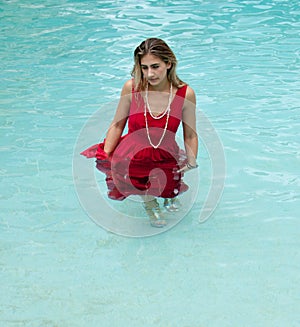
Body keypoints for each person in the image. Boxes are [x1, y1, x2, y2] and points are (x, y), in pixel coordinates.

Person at [81, 38, 198, 228]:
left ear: (168, 64)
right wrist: (108, 153)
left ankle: (168, 198)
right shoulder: (132, 88)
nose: (149, 74)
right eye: (144, 68)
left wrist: (192, 161)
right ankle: (151, 206)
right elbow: (118, 124)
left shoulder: (185, 93)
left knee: (169, 188)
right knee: (144, 187)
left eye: (155, 66)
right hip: (134, 154)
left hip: (166, 154)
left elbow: (190, 134)